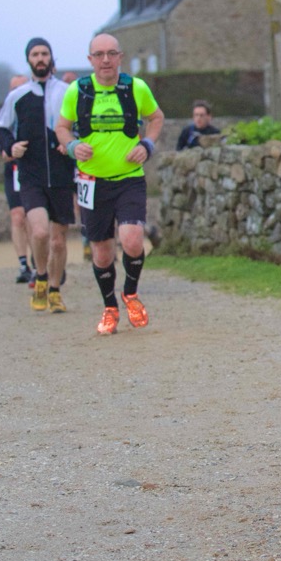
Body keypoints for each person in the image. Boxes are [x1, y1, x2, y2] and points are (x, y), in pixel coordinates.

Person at [56, 33, 163, 336]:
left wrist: (147, 145)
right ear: (90, 60)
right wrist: (73, 145)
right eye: (99, 54)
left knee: (132, 239)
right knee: (102, 253)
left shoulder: (135, 88)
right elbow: (61, 127)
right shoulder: (78, 91)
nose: (105, 60)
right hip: (92, 182)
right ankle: (110, 307)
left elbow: (156, 118)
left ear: (120, 57)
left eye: (111, 54)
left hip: (129, 178)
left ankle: (130, 293)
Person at [0, 39, 75, 313]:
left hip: (62, 174)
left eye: (44, 53)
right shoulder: (18, 96)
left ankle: (54, 290)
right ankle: (40, 275)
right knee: (40, 232)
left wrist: (71, 143)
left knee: (58, 240)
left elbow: (82, 124)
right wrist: (11, 147)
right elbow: (2, 127)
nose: (40, 58)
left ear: (51, 58)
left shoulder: (67, 92)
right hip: (31, 175)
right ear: (28, 60)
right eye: (35, 54)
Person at [0, 75, 33, 283]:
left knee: (33, 218)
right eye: (13, 88)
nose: (16, 92)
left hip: (33, 169)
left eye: (20, 88)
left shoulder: (36, 110)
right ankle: (23, 265)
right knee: (17, 216)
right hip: (12, 170)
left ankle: (39, 262)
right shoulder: (2, 114)